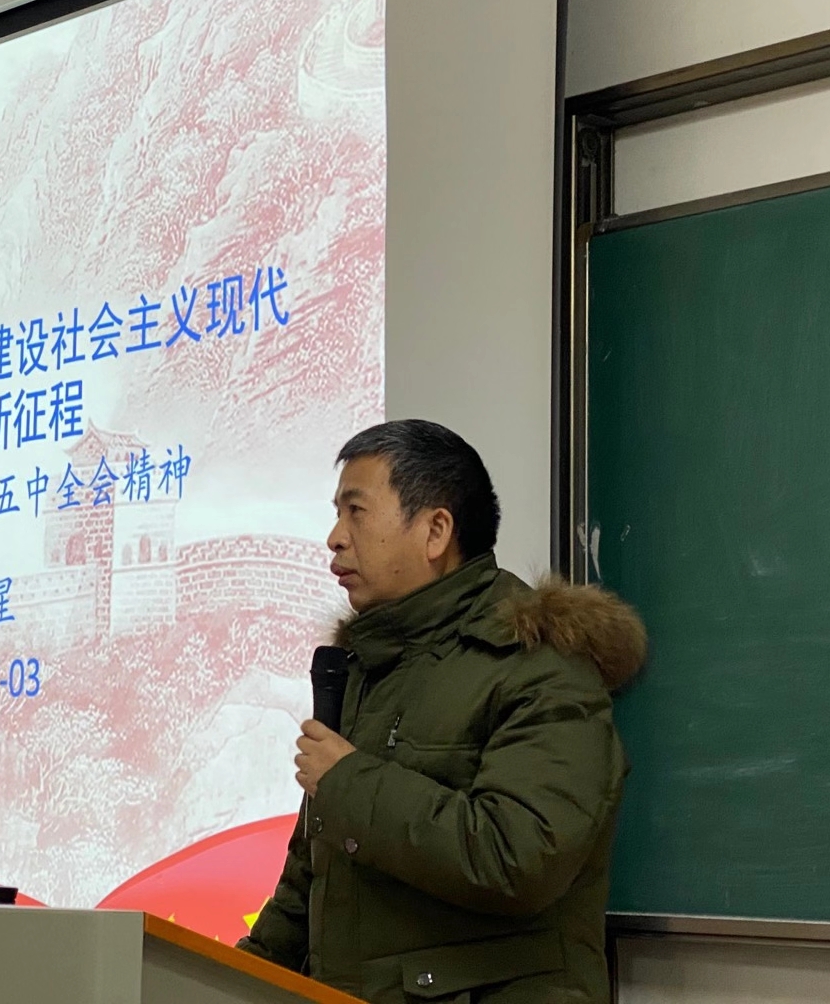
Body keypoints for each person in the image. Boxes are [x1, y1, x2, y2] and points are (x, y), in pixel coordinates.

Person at [238, 420, 646, 1004]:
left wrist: (350, 782)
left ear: (435, 531)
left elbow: (519, 860)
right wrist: (229, 976)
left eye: (356, 512)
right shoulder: (370, 666)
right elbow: (313, 877)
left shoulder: (538, 663)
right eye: (336, 513)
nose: (334, 537)